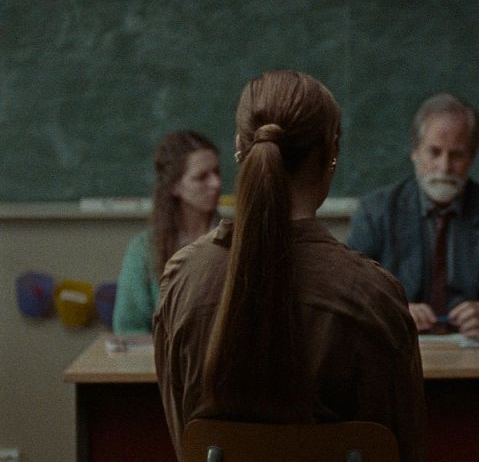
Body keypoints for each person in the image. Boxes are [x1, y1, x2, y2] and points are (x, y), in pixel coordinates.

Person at [153, 70, 426, 462]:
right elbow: (405, 449)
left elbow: (185, 442)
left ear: (238, 149)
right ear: (331, 153)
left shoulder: (183, 280)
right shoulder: (374, 295)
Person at [347, 93, 479, 341]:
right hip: (399, 354)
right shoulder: (376, 212)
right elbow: (351, 294)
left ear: (472, 156)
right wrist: (394, 312)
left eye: (457, 155)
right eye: (434, 152)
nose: (444, 167)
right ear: (414, 151)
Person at [112, 131, 221, 334]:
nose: (216, 184)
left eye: (217, 172)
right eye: (201, 177)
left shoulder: (236, 240)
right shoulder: (145, 249)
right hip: (163, 363)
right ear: (174, 186)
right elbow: (128, 327)